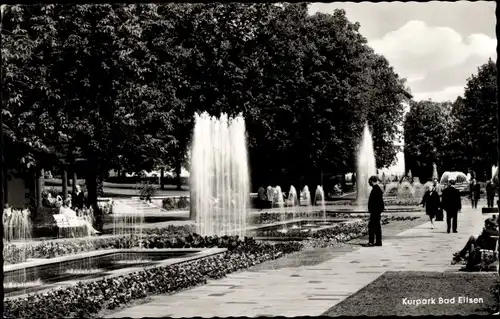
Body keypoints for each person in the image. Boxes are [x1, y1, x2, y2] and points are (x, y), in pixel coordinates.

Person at [364, 175, 385, 247]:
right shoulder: (377, 188)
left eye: (369, 181)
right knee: (377, 226)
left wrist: (373, 210)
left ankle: (371, 242)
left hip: (375, 211)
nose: (368, 183)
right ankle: (378, 242)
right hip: (377, 211)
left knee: (372, 226)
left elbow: (376, 201)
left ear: (372, 181)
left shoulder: (375, 189)